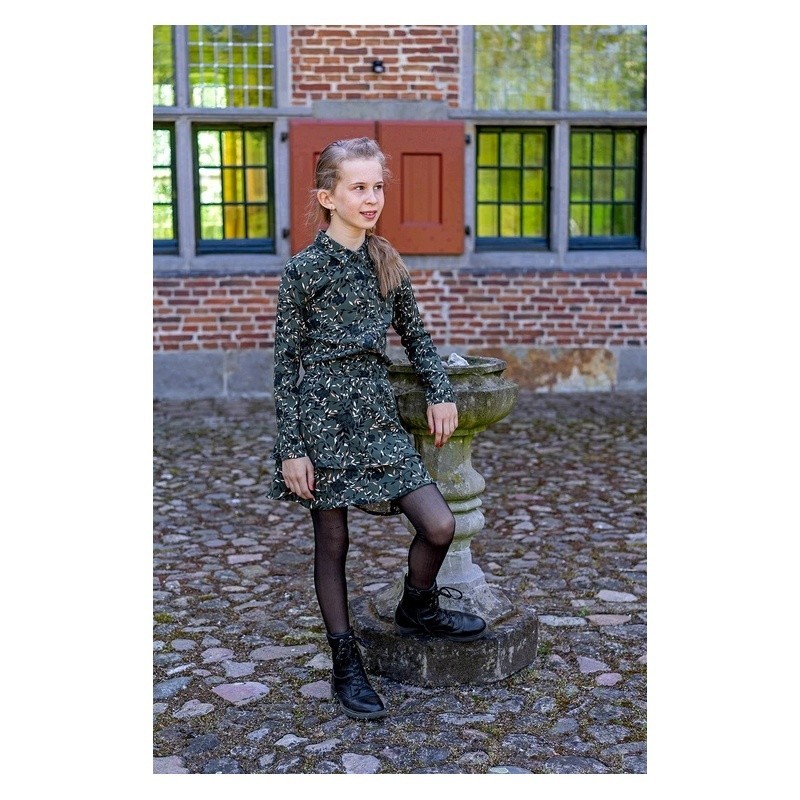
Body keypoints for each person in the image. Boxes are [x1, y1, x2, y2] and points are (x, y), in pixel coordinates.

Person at [270, 137, 486, 721]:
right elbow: (285, 366)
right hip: (321, 420)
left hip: (375, 414)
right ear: (327, 197)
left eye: (378, 187)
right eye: (358, 187)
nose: (372, 198)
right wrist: (292, 449)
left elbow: (416, 336)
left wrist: (440, 391)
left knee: (439, 524)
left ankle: (418, 607)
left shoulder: (386, 263)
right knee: (333, 543)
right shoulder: (303, 272)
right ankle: (346, 664)